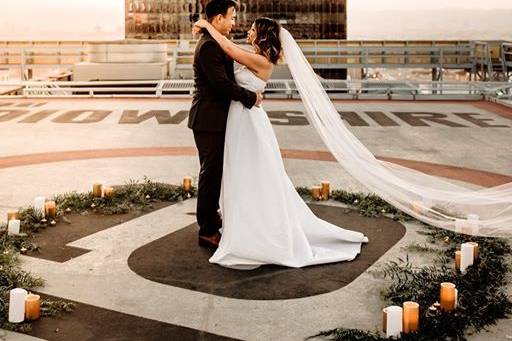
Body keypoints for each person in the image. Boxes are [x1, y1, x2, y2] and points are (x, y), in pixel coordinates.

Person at [192, 16, 368, 270]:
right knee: (242, 173)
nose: (247, 31)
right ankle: (243, 220)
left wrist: (207, 26)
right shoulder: (257, 56)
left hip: (248, 123)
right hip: (239, 120)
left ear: (262, 35)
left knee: (255, 174)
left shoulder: (262, 61)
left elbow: (228, 49)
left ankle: (257, 227)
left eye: (252, 30)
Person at [188, 0, 263, 248]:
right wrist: (251, 97)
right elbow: (222, 84)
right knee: (210, 173)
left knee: (214, 171)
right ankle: (207, 229)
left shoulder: (214, 42)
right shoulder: (209, 46)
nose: (234, 22)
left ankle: (212, 217)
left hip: (215, 119)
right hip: (209, 119)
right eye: (231, 17)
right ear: (218, 19)